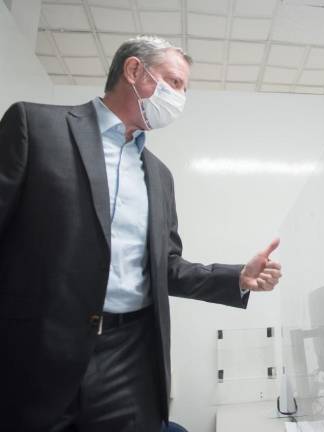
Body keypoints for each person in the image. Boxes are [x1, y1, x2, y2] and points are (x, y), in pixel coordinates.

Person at [0, 36, 282, 431]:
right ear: (134, 71)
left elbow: (165, 266)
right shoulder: (36, 126)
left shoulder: (159, 175)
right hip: (35, 351)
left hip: (129, 354)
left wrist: (237, 278)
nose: (180, 97)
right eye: (175, 82)